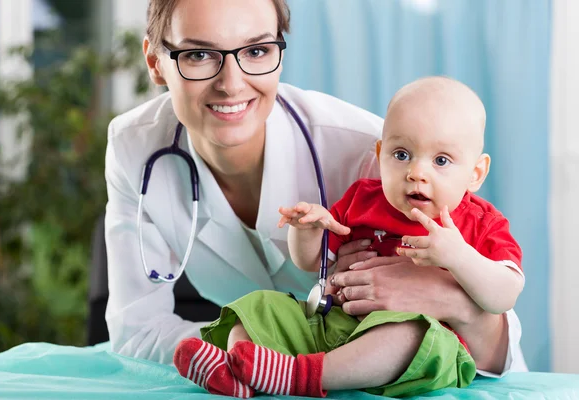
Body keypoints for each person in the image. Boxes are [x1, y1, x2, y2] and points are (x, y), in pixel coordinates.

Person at [104, 0, 526, 390]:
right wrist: (257, 352)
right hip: (277, 360)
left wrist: (450, 300)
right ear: (155, 62)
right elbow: (138, 329)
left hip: (398, 362)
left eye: (255, 51)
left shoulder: (381, 157)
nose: (231, 84)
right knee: (250, 312)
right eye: (198, 55)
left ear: (279, 55)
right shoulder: (134, 147)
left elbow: (492, 330)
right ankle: (238, 365)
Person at [172, 77, 524, 398]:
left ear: (476, 173)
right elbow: (311, 262)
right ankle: (237, 372)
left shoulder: (480, 222)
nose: (417, 172)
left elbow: (504, 294)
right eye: (401, 155)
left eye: (442, 160)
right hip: (332, 327)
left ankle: (300, 376)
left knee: (408, 336)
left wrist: (458, 256)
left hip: (417, 344)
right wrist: (308, 231)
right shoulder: (363, 198)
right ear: (379, 154)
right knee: (259, 306)